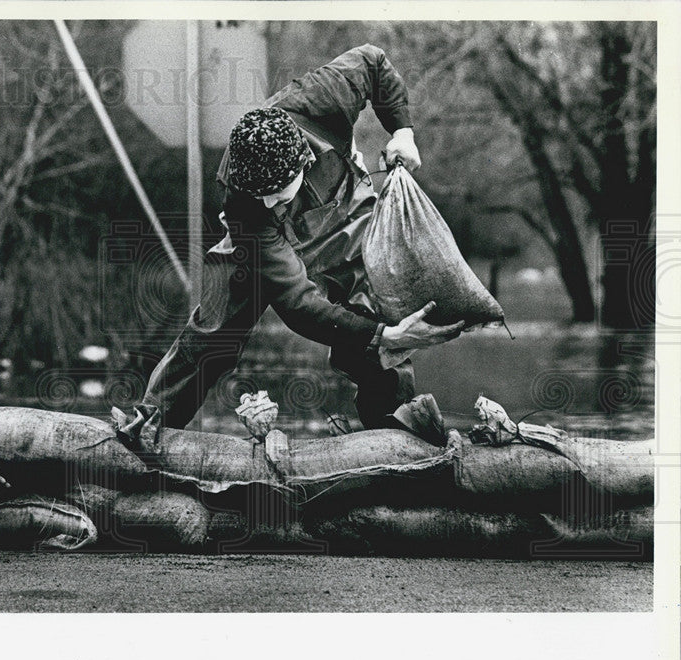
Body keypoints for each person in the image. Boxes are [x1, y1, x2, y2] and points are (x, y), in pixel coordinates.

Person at [137, 44, 463, 441]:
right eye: (261, 195)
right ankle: (150, 424)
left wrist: (403, 131)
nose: (270, 202)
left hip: (339, 208)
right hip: (260, 242)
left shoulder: (322, 95)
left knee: (370, 311)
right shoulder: (247, 203)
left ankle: (396, 432)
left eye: (277, 192)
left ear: (302, 161)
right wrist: (382, 338)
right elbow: (297, 302)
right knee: (213, 334)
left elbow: (374, 61)